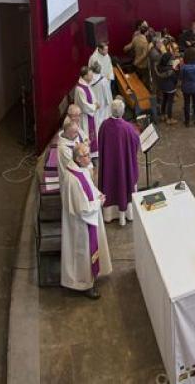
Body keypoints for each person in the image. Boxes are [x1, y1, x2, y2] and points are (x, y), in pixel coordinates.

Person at [60, 143, 112, 299]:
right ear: (77, 158)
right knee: (83, 254)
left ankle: (92, 276)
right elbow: (82, 209)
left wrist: (98, 195)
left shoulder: (81, 169)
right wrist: (98, 203)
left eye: (89, 154)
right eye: (86, 155)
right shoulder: (73, 179)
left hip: (89, 218)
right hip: (81, 225)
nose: (89, 158)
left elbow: (90, 187)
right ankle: (84, 284)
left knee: (91, 250)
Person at [97, 99, 141, 226]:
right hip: (124, 166)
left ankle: (109, 216)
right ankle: (126, 215)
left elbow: (101, 143)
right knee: (124, 183)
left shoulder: (104, 126)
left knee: (109, 183)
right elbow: (135, 143)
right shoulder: (128, 128)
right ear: (123, 112)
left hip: (109, 166)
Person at [74, 67, 101, 159]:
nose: (92, 76)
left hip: (90, 115)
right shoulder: (80, 89)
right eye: (90, 75)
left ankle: (92, 153)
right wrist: (94, 106)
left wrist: (96, 102)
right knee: (86, 134)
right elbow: (84, 105)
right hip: (85, 117)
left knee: (92, 134)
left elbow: (92, 96)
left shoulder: (86, 84)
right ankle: (86, 154)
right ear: (85, 76)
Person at [124, 22, 151, 89]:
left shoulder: (136, 38)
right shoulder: (145, 42)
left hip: (137, 64)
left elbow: (128, 47)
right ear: (146, 32)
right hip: (143, 65)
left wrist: (125, 48)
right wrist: (137, 62)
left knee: (138, 80)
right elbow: (144, 55)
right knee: (145, 81)